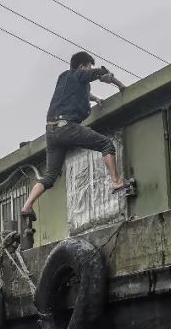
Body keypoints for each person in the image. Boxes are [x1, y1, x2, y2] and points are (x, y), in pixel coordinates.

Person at [20, 51, 128, 219]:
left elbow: (74, 93)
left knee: (49, 176)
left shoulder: (64, 77)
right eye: (88, 67)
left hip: (51, 131)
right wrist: (120, 85)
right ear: (82, 66)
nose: (88, 70)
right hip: (66, 127)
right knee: (106, 144)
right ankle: (116, 182)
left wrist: (94, 98)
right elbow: (100, 73)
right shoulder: (80, 74)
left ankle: (27, 205)